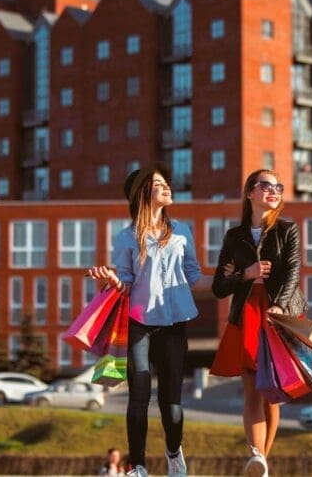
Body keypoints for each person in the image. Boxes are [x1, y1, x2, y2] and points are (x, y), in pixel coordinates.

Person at [88, 163, 216, 477]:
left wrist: (235, 280)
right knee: (139, 393)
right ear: (143, 193)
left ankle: (174, 452)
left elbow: (194, 278)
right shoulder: (126, 237)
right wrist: (111, 280)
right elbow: (126, 282)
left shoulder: (183, 231)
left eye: (165, 182)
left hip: (174, 325)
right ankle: (138, 466)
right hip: (138, 325)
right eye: (158, 184)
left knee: (171, 404)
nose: (167, 187)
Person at [210, 169, 304, 477]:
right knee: (251, 387)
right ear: (250, 192)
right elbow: (219, 287)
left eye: (279, 185)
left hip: (278, 312)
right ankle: (257, 456)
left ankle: (262, 459)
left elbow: (292, 272)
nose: (274, 190)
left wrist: (278, 305)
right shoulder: (233, 236)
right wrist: (245, 274)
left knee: (271, 390)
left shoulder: (287, 229)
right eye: (266, 185)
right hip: (247, 313)